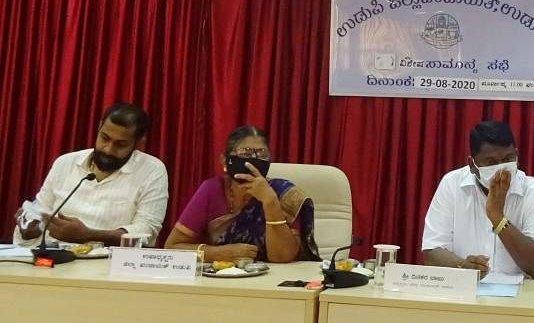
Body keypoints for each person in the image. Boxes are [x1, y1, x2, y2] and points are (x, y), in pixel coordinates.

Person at [11, 103, 168, 247]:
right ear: (99, 127)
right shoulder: (65, 163)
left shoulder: (152, 170)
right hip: (53, 258)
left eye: (120, 144)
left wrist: (89, 235)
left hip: (109, 266)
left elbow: (146, 232)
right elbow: (40, 210)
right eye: (105, 138)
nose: (108, 149)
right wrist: (30, 227)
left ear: (139, 143)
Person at [421, 121, 534, 280]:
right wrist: (463, 266)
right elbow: (431, 253)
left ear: (517, 156)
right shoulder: (451, 184)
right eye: (491, 162)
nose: (501, 168)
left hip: (521, 296)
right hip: (464, 292)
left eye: (508, 159)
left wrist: (497, 218)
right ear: (472, 164)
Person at [163, 126, 319, 262]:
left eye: (261, 153)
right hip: (220, 278)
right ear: (225, 161)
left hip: (274, 283)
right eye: (245, 153)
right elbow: (172, 247)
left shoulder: (284, 193)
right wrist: (218, 253)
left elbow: (282, 257)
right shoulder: (211, 190)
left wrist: (270, 201)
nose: (253, 159)